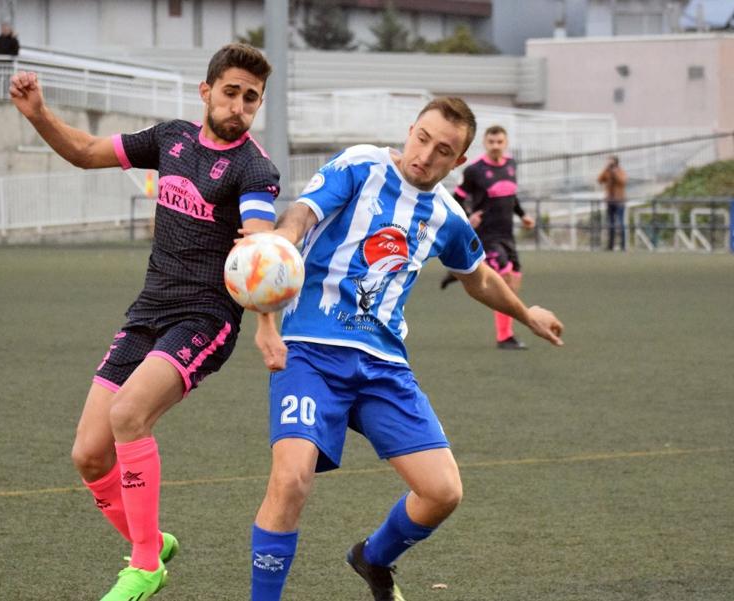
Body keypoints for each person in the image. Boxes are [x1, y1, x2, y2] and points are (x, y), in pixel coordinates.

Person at [248, 98, 564, 601]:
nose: (425, 155)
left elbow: (477, 276)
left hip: (383, 365)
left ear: (458, 162)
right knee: (291, 480)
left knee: (443, 492)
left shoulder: (446, 215)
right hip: (310, 350)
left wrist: (527, 314)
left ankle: (372, 558)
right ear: (409, 130)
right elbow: (304, 213)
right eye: (422, 138)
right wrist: (279, 248)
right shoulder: (360, 165)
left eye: (443, 151)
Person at [9, 43, 283, 601]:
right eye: (230, 92)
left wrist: (265, 319)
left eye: (250, 99)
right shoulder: (170, 139)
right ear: (206, 91)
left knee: (129, 414)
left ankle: (144, 565)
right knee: (88, 454)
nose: (239, 106)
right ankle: (152, 541)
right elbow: (86, 151)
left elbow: (261, 243)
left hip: (206, 319)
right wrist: (38, 113)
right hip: (148, 311)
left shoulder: (256, 169)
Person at [442, 125, 535, 350]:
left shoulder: (511, 165)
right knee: (505, 279)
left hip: (507, 235)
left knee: (515, 280)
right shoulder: (474, 170)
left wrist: (523, 216)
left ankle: (459, 272)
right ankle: (505, 337)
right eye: (491, 142)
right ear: (485, 143)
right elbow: (457, 199)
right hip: (487, 235)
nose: (495, 146)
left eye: (499, 142)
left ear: (506, 143)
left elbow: (511, 197)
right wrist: (468, 216)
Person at [598, 155, 627, 251]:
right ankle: (610, 246)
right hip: (610, 201)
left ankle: (623, 246)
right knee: (610, 223)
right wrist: (606, 169)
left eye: (611, 161)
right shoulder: (607, 172)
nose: (609, 163)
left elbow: (622, 181)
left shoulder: (621, 171)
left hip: (619, 201)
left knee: (620, 223)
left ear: (616, 162)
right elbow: (600, 179)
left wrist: (615, 173)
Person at [0, 22, 20, 97]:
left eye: (5, 29)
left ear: (9, 29)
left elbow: (16, 51)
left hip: (8, 64)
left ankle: (6, 96)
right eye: (3, 29)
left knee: (7, 81)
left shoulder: (13, 39)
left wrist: (14, 38)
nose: (4, 30)